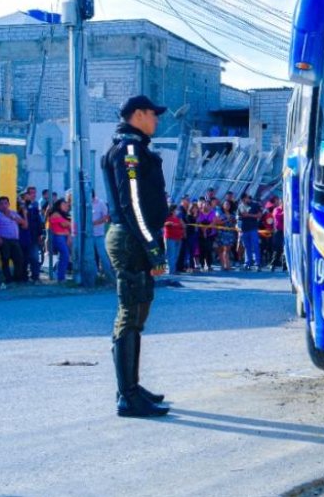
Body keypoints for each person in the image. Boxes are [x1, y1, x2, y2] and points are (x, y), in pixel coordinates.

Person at [101, 94, 171, 418]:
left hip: (135, 238)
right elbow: (133, 206)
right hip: (131, 238)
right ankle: (127, 396)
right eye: (153, 114)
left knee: (138, 314)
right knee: (130, 315)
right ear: (138, 114)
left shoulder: (134, 147)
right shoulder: (128, 151)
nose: (156, 120)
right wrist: (152, 247)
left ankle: (131, 387)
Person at [0, 196, 24, 285]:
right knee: (5, 259)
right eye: (1, 204)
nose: (4, 205)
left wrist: (13, 217)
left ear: (9, 204)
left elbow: (22, 222)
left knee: (19, 259)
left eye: (6, 203)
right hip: (4, 240)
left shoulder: (13, 213)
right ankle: (8, 279)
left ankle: (17, 278)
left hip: (15, 240)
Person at [89, 190, 114, 285]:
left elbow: (106, 217)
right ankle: (94, 277)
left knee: (103, 256)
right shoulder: (85, 203)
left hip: (98, 234)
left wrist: (95, 223)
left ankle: (110, 277)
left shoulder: (100, 203)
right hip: (88, 236)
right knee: (90, 257)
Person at [19, 186, 44, 283]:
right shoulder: (21, 205)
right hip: (23, 235)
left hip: (33, 235)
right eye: (31, 193)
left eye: (34, 192)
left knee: (34, 257)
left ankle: (35, 276)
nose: (33, 195)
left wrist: (40, 234)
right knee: (24, 258)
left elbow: (37, 221)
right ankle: (24, 276)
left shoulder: (35, 205)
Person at [46, 199, 72, 283]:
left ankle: (59, 274)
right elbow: (65, 224)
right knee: (65, 255)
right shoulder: (56, 214)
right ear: (59, 205)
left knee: (64, 256)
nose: (66, 206)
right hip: (58, 236)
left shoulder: (64, 214)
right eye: (64, 205)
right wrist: (69, 224)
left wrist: (68, 233)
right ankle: (60, 276)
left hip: (64, 236)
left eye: (66, 205)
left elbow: (69, 226)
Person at [237, 193, 263, 270]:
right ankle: (247, 262)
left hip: (253, 228)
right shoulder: (240, 206)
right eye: (243, 199)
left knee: (255, 246)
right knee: (246, 246)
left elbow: (259, 215)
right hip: (244, 229)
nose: (246, 200)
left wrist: (248, 215)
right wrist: (239, 217)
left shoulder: (255, 205)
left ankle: (257, 263)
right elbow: (238, 217)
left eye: (247, 198)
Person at [163, 207, 184, 276]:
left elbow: (182, 226)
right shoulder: (167, 217)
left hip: (178, 238)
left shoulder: (178, 219)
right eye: (176, 209)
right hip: (170, 238)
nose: (178, 211)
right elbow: (165, 223)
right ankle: (171, 270)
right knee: (171, 254)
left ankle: (173, 269)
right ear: (172, 211)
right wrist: (169, 223)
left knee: (176, 255)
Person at [217, 200, 238, 270]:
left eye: (228, 205)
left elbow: (235, 224)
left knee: (227, 249)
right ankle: (225, 265)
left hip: (230, 233)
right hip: (222, 233)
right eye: (225, 204)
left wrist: (234, 222)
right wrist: (227, 220)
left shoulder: (232, 214)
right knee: (222, 249)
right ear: (223, 206)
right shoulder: (220, 214)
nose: (227, 206)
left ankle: (226, 265)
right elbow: (217, 222)